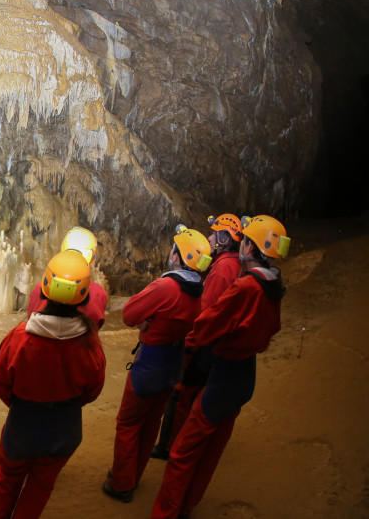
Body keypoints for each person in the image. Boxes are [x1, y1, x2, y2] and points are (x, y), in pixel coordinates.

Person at [151, 215, 290, 519]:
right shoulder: (274, 285)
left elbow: (206, 324)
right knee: (211, 450)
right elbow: (271, 331)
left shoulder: (246, 287)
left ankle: (166, 512)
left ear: (251, 247)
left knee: (184, 451)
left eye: (246, 241)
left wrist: (188, 347)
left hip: (225, 373)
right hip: (244, 375)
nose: (242, 244)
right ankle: (186, 506)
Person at [0, 250, 107, 518]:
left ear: (45, 288)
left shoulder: (19, 337)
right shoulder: (90, 342)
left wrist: (20, 404)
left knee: (7, 480)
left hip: (23, 422)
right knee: (41, 485)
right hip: (65, 425)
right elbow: (93, 389)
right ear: (85, 294)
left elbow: (2, 383)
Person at [103, 226, 210, 503]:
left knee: (128, 423)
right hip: (173, 363)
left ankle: (121, 483)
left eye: (174, 249)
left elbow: (128, 314)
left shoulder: (167, 286)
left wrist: (145, 321)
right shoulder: (197, 290)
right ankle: (133, 475)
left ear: (178, 256)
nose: (170, 252)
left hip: (150, 363)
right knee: (152, 423)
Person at [151, 214, 243, 460]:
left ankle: (169, 447)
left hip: (205, 345)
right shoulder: (230, 264)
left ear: (225, 240)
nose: (210, 237)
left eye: (214, 234)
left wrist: (189, 345)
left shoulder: (223, 269)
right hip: (217, 343)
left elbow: (206, 311)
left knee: (181, 395)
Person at [26, 226, 108, 328]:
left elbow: (31, 317)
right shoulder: (97, 293)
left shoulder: (40, 289)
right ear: (92, 257)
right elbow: (96, 323)